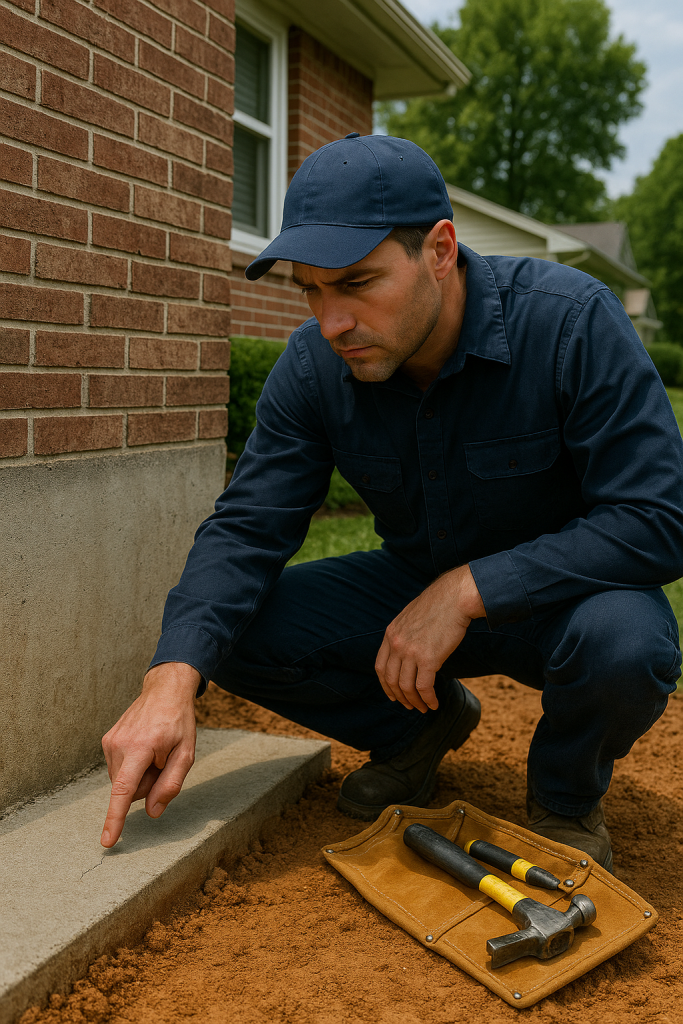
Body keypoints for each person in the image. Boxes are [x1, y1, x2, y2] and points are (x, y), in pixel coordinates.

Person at [100, 135, 683, 872]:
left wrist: (470, 589)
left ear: (439, 249)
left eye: (355, 282)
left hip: (568, 602)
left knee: (627, 644)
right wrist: (170, 680)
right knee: (226, 631)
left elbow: (658, 518)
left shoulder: (570, 323)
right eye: (310, 289)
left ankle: (564, 801)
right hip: (410, 588)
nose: (330, 321)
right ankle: (417, 731)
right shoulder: (313, 368)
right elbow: (247, 528)